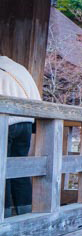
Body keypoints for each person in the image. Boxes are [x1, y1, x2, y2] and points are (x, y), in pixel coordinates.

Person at [1, 56, 40, 217]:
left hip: (5, 121)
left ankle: (4, 214)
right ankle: (25, 212)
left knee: (2, 168)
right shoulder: (19, 69)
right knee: (19, 168)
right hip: (26, 122)